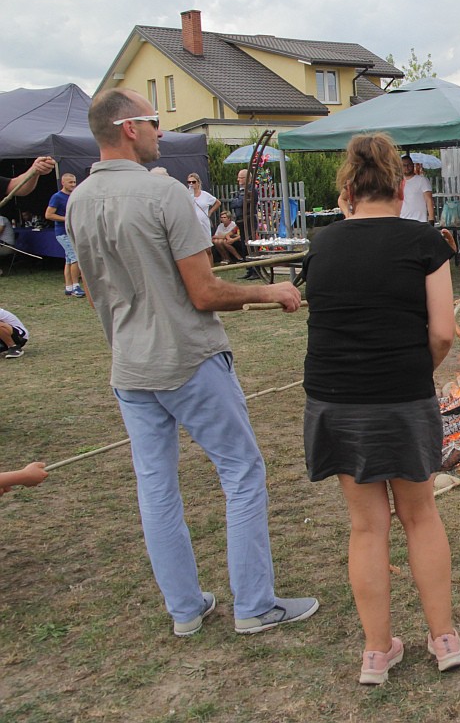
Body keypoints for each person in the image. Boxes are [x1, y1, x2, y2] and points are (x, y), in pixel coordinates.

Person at [67, 88, 318, 638]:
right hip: (187, 358)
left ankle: (186, 610)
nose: (161, 130)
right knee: (243, 472)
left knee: (155, 486)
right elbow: (204, 293)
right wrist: (271, 293)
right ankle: (255, 605)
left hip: (130, 366)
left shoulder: (79, 201)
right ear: (129, 128)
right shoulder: (165, 196)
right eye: (155, 120)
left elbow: (94, 293)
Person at [303, 132, 460, 686]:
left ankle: (377, 652)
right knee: (421, 516)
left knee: (366, 527)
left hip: (336, 398)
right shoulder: (424, 241)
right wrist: (416, 372)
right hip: (403, 394)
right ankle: (443, 640)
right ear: (401, 187)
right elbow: (443, 332)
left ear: (348, 189)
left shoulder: (321, 244)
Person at [45, 173, 86, 297]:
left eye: (74, 182)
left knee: (69, 260)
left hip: (72, 231)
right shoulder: (57, 197)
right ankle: (76, 286)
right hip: (63, 232)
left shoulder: (74, 196)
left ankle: (68, 287)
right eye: (70, 182)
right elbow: (49, 215)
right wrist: (67, 219)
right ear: (63, 183)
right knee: (75, 258)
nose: (73, 184)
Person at [399, 155, 434, 222]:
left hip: (419, 220)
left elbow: (429, 200)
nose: (407, 167)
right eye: (404, 165)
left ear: (412, 165)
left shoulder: (422, 180)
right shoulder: (397, 182)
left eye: (408, 164)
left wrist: (431, 219)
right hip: (402, 221)